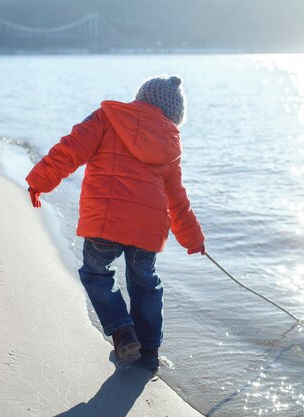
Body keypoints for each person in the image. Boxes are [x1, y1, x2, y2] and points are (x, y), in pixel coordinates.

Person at [26, 75, 205, 370]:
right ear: (175, 116)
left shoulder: (107, 117)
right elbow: (177, 199)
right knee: (145, 283)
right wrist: (193, 238)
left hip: (105, 222)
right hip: (147, 229)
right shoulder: (170, 144)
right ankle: (149, 351)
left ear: (140, 98)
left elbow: (70, 151)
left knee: (97, 273)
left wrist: (39, 182)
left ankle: (123, 333)